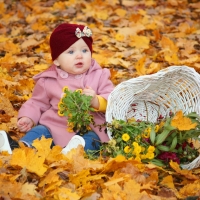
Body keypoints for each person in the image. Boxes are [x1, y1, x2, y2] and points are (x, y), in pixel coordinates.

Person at [0, 23, 114, 155]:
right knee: (40, 132)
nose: (79, 56)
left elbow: (112, 99)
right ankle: (20, 149)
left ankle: (75, 151)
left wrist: (96, 101)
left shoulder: (99, 75)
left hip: (89, 127)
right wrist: (28, 117)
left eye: (84, 50)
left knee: (93, 139)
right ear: (57, 61)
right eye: (71, 52)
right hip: (55, 127)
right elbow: (37, 102)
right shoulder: (48, 80)